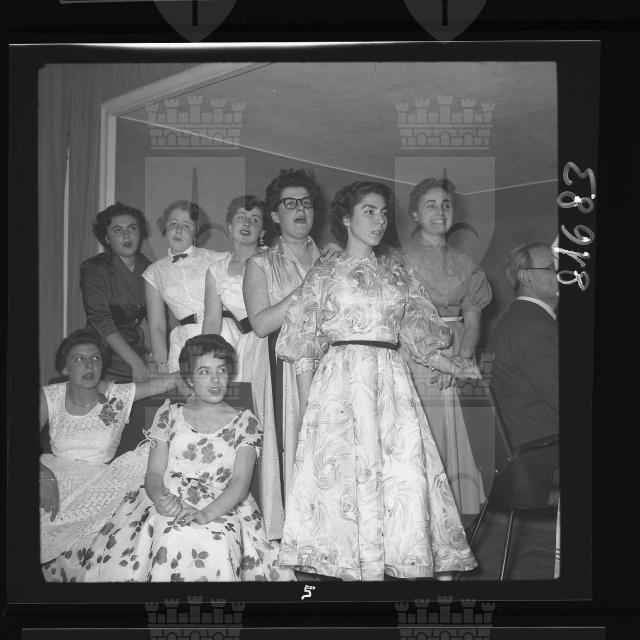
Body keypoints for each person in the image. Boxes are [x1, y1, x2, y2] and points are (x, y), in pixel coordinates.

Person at [275, 181, 480, 581]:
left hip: (390, 386)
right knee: (344, 482)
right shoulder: (324, 274)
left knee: (402, 478)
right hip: (338, 387)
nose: (379, 220)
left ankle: (398, 567)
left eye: (384, 213)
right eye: (368, 211)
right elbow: (304, 348)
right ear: (346, 219)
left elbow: (420, 339)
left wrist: (457, 367)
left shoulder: (397, 275)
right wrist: (306, 419)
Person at [70, 335, 294, 582]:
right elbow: (154, 473)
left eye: (221, 370)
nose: (215, 379)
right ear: (189, 379)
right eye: (205, 371)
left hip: (222, 502)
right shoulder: (168, 414)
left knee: (216, 541)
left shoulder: (245, 422)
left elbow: (240, 483)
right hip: (168, 495)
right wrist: (160, 498)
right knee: (168, 533)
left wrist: (206, 514)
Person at [40, 329, 179, 580]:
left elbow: (168, 382)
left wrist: (202, 374)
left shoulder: (118, 395)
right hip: (55, 479)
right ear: (64, 368)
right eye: (79, 359)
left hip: (99, 483)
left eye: (95, 358)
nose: (89, 365)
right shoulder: (50, 395)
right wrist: (44, 475)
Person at [397, 177, 492, 515]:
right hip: (419, 357)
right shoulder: (399, 261)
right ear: (415, 214)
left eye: (446, 204)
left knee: (464, 439)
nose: (440, 211)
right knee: (428, 439)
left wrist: (462, 361)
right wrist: (441, 361)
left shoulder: (467, 264)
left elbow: (473, 319)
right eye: (431, 205)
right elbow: (403, 321)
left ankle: (458, 527)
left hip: (461, 353)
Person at [202, 195, 283, 540]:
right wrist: (204, 365)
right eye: (240, 217)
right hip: (247, 349)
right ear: (229, 225)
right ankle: (254, 510)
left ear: (264, 229)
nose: (247, 223)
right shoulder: (216, 270)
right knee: (252, 427)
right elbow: (211, 322)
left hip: (280, 342)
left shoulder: (273, 260)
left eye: (254, 218)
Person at [242, 168, 326, 503]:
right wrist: (307, 287)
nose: (300, 209)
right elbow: (261, 324)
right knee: (292, 448)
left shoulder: (333, 259)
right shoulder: (260, 263)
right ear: (275, 215)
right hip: (284, 369)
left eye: (306, 202)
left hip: (331, 365)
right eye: (290, 203)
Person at [487, 242, 559, 448]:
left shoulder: (522, 319)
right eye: (552, 268)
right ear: (526, 278)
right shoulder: (533, 328)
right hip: (547, 448)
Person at [143, 200, 224, 373]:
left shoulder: (218, 258)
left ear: (195, 231)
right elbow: (157, 326)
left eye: (186, 225)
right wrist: (161, 366)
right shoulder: (153, 272)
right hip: (185, 341)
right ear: (164, 228)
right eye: (173, 223)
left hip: (222, 333)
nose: (178, 230)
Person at [80, 203, 152, 382]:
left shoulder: (152, 269)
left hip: (136, 346)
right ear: (106, 238)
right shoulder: (93, 268)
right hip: (101, 348)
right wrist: (136, 363)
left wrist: (159, 357)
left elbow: (158, 321)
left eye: (132, 228)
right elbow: (101, 320)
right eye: (118, 230)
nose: (127, 236)